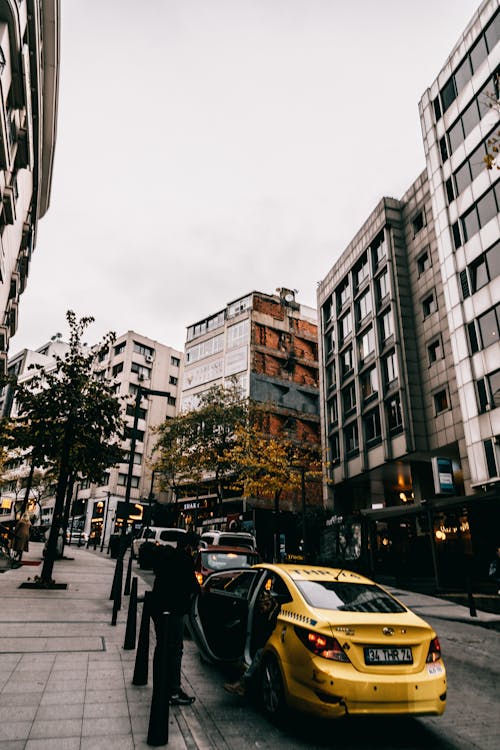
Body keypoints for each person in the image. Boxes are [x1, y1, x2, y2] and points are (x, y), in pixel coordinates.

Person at [150, 531, 200, 706]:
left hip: (158, 609)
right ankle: (173, 690)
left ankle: (160, 685)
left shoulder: (169, 557)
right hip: (173, 611)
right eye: (195, 548)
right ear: (189, 546)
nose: (195, 551)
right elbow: (194, 586)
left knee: (161, 647)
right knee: (175, 649)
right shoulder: (185, 561)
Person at [224, 578, 281, 697]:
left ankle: (243, 684)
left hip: (274, 644)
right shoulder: (273, 608)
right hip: (269, 641)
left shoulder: (276, 612)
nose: (262, 609)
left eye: (264, 606)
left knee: (260, 653)